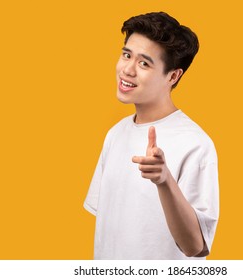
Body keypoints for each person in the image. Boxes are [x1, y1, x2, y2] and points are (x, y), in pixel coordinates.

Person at [84, 11, 219, 260]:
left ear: (173, 76)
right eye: (126, 55)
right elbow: (111, 230)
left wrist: (164, 180)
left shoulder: (196, 144)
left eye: (144, 63)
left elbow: (195, 246)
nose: (127, 70)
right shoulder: (115, 134)